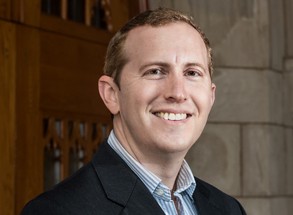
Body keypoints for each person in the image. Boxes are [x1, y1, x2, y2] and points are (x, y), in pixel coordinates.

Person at [21, 8, 246, 215]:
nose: (178, 93)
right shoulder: (56, 211)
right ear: (111, 94)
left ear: (211, 96)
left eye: (192, 73)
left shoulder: (228, 209)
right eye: (156, 71)